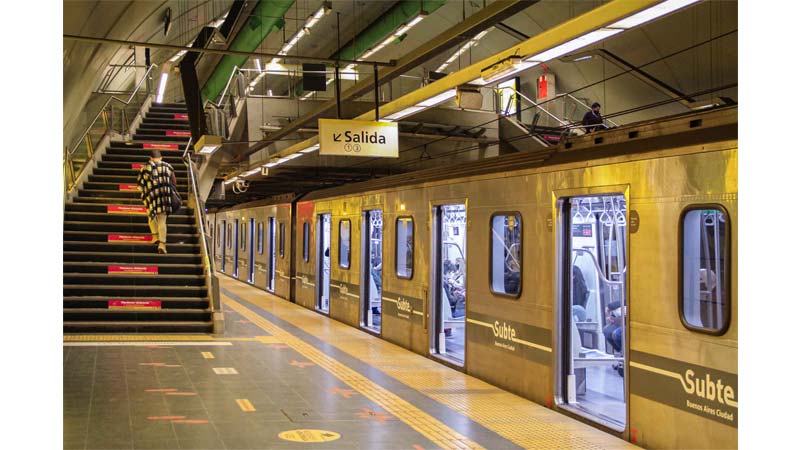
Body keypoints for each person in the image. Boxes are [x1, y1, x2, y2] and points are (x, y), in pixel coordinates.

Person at [137, 150, 177, 254]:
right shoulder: (168, 166)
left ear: (151, 158)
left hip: (151, 197)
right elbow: (174, 182)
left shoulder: (144, 168)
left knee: (151, 216)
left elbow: (140, 185)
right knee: (162, 221)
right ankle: (162, 244)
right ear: (161, 157)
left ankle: (155, 237)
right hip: (164, 197)